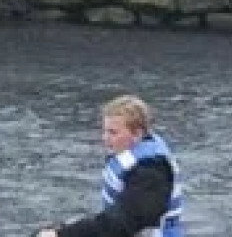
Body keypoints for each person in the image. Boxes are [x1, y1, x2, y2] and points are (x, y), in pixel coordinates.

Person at [35, 95, 184, 237]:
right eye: (105, 131)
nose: (105, 139)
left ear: (137, 134)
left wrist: (64, 234)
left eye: (113, 133)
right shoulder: (132, 156)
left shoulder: (151, 172)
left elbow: (123, 223)